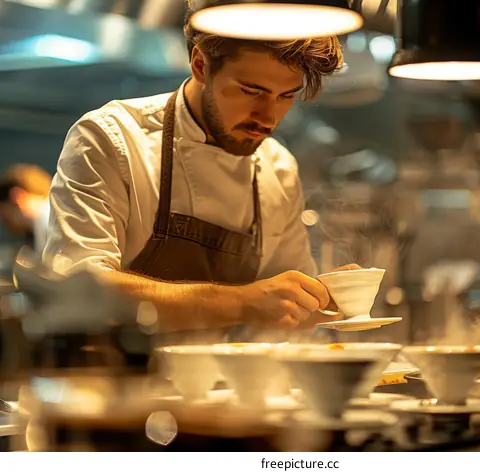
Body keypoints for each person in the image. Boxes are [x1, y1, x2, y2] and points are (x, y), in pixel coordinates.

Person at [41, 4, 358, 340]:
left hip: (227, 389)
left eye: (286, 96)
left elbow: (283, 312)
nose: (267, 116)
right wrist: (242, 302)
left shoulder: (278, 168)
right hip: (116, 384)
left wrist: (324, 297)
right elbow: (79, 288)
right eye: (251, 91)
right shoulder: (110, 138)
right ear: (200, 65)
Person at [0, 164, 51, 255]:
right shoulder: (44, 222)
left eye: (3, 211)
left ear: (16, 196)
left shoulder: (48, 223)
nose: (3, 220)